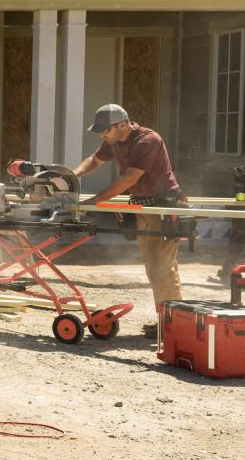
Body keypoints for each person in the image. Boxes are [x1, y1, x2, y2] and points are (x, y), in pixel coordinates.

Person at [72, 104, 188, 339]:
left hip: (163, 205)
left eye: (106, 131)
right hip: (144, 204)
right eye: (101, 132)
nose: (103, 135)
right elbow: (94, 161)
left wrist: (97, 200)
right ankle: (169, 320)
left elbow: (129, 178)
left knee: (161, 267)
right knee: (155, 266)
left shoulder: (147, 140)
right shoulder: (114, 141)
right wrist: (73, 175)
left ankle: (172, 325)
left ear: (122, 124)